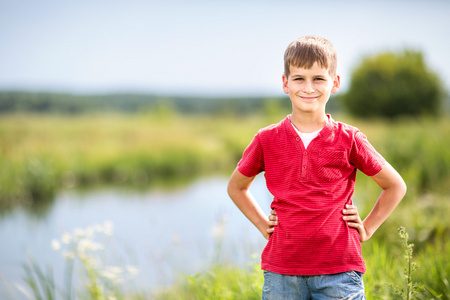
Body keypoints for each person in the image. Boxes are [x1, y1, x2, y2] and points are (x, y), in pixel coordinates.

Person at [227, 36, 407, 299]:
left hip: (340, 270)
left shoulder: (350, 138)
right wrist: (262, 223)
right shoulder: (266, 139)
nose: (308, 87)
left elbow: (395, 186)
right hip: (282, 273)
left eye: (318, 79)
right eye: (299, 78)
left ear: (334, 83)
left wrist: (367, 228)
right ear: (285, 83)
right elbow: (236, 187)